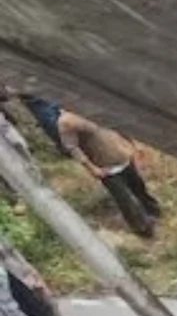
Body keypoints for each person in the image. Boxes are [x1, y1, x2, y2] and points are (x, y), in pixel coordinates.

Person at [19, 95, 162, 237]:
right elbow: (73, 148)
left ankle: (153, 210)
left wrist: (132, 146)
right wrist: (92, 169)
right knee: (125, 199)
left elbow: (116, 125)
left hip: (121, 154)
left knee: (138, 186)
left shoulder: (93, 105)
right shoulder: (67, 122)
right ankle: (143, 228)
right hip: (106, 166)